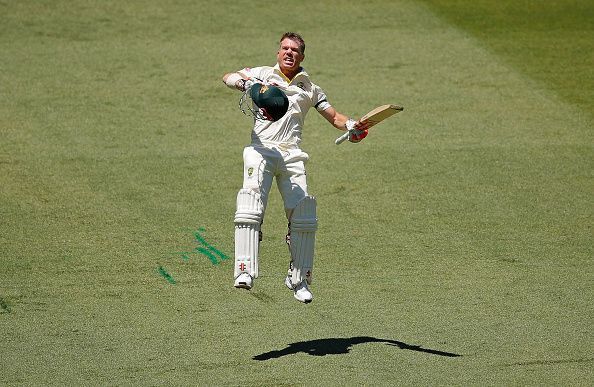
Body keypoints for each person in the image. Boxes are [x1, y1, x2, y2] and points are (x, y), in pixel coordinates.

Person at [222, 32, 369, 303]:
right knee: (250, 206)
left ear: (301, 56)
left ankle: (299, 278)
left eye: (294, 50)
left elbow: (335, 117)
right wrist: (249, 86)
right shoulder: (262, 74)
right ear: (278, 52)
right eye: (284, 48)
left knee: (303, 216)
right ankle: (244, 270)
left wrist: (352, 126)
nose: (288, 53)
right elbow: (228, 77)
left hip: (292, 154)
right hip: (261, 149)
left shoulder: (310, 88)